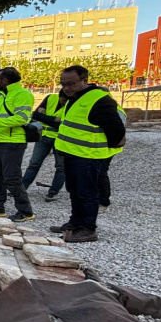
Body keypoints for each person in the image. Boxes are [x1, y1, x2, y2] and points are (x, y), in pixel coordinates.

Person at [52, 66, 125, 243]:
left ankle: (87, 229)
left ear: (85, 80)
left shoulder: (98, 100)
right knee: (74, 190)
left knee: (86, 192)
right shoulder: (75, 98)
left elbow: (116, 130)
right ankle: (75, 223)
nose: (66, 88)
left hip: (89, 155)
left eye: (71, 83)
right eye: (63, 84)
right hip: (72, 153)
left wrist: (109, 145)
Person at [0, 67, 36, 222]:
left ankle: (25, 211)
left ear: (5, 80)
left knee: (12, 178)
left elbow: (22, 118)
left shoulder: (23, 94)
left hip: (12, 143)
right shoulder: (0, 97)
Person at [22, 89, 68, 202]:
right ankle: (22, 188)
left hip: (61, 139)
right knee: (34, 164)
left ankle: (53, 191)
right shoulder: (50, 98)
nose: (64, 103)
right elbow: (35, 115)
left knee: (61, 167)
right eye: (63, 100)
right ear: (59, 96)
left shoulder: (72, 103)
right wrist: (54, 120)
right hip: (44, 137)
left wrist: (44, 117)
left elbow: (64, 124)